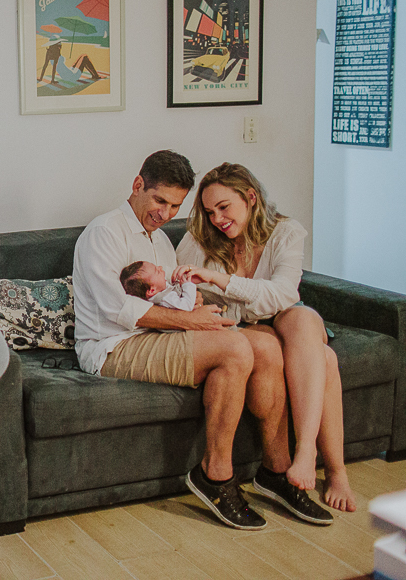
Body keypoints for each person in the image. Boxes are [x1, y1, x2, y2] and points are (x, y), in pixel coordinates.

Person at [73, 150, 330, 531]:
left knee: (266, 346)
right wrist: (191, 321)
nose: (165, 213)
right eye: (159, 201)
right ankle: (215, 474)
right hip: (112, 346)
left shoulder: (160, 242)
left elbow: (175, 295)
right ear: (137, 185)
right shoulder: (105, 232)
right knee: (236, 347)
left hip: (156, 336)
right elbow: (118, 311)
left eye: (175, 206)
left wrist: (201, 306)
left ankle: (276, 469)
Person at [176, 162, 355, 513]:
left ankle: (308, 453)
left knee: (302, 317)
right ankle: (332, 470)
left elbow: (284, 294)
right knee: (326, 358)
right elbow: (186, 294)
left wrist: (221, 281)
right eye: (210, 211)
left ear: (251, 198)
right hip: (243, 327)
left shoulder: (286, 232)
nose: (217, 219)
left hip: (286, 318)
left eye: (224, 207)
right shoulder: (198, 239)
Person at [120, 261, 205, 311]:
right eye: (157, 271)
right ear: (152, 290)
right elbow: (187, 306)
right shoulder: (165, 298)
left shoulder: (160, 291)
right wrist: (188, 285)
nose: (160, 267)